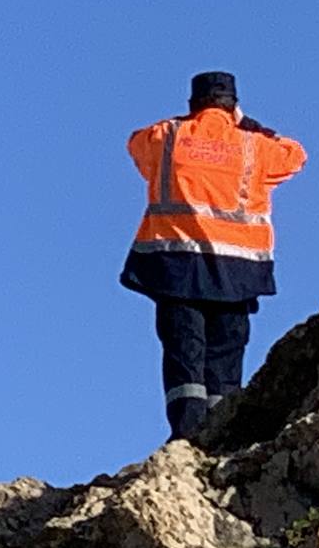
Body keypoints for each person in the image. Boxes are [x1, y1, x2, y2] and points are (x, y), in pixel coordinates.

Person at [120, 71, 306, 439]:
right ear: (233, 105)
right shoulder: (256, 145)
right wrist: (250, 126)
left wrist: (189, 127)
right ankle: (222, 436)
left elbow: (135, 144)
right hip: (237, 271)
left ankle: (186, 435)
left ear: (192, 104)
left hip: (176, 266)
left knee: (184, 354)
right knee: (225, 355)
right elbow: (295, 155)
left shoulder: (166, 136)